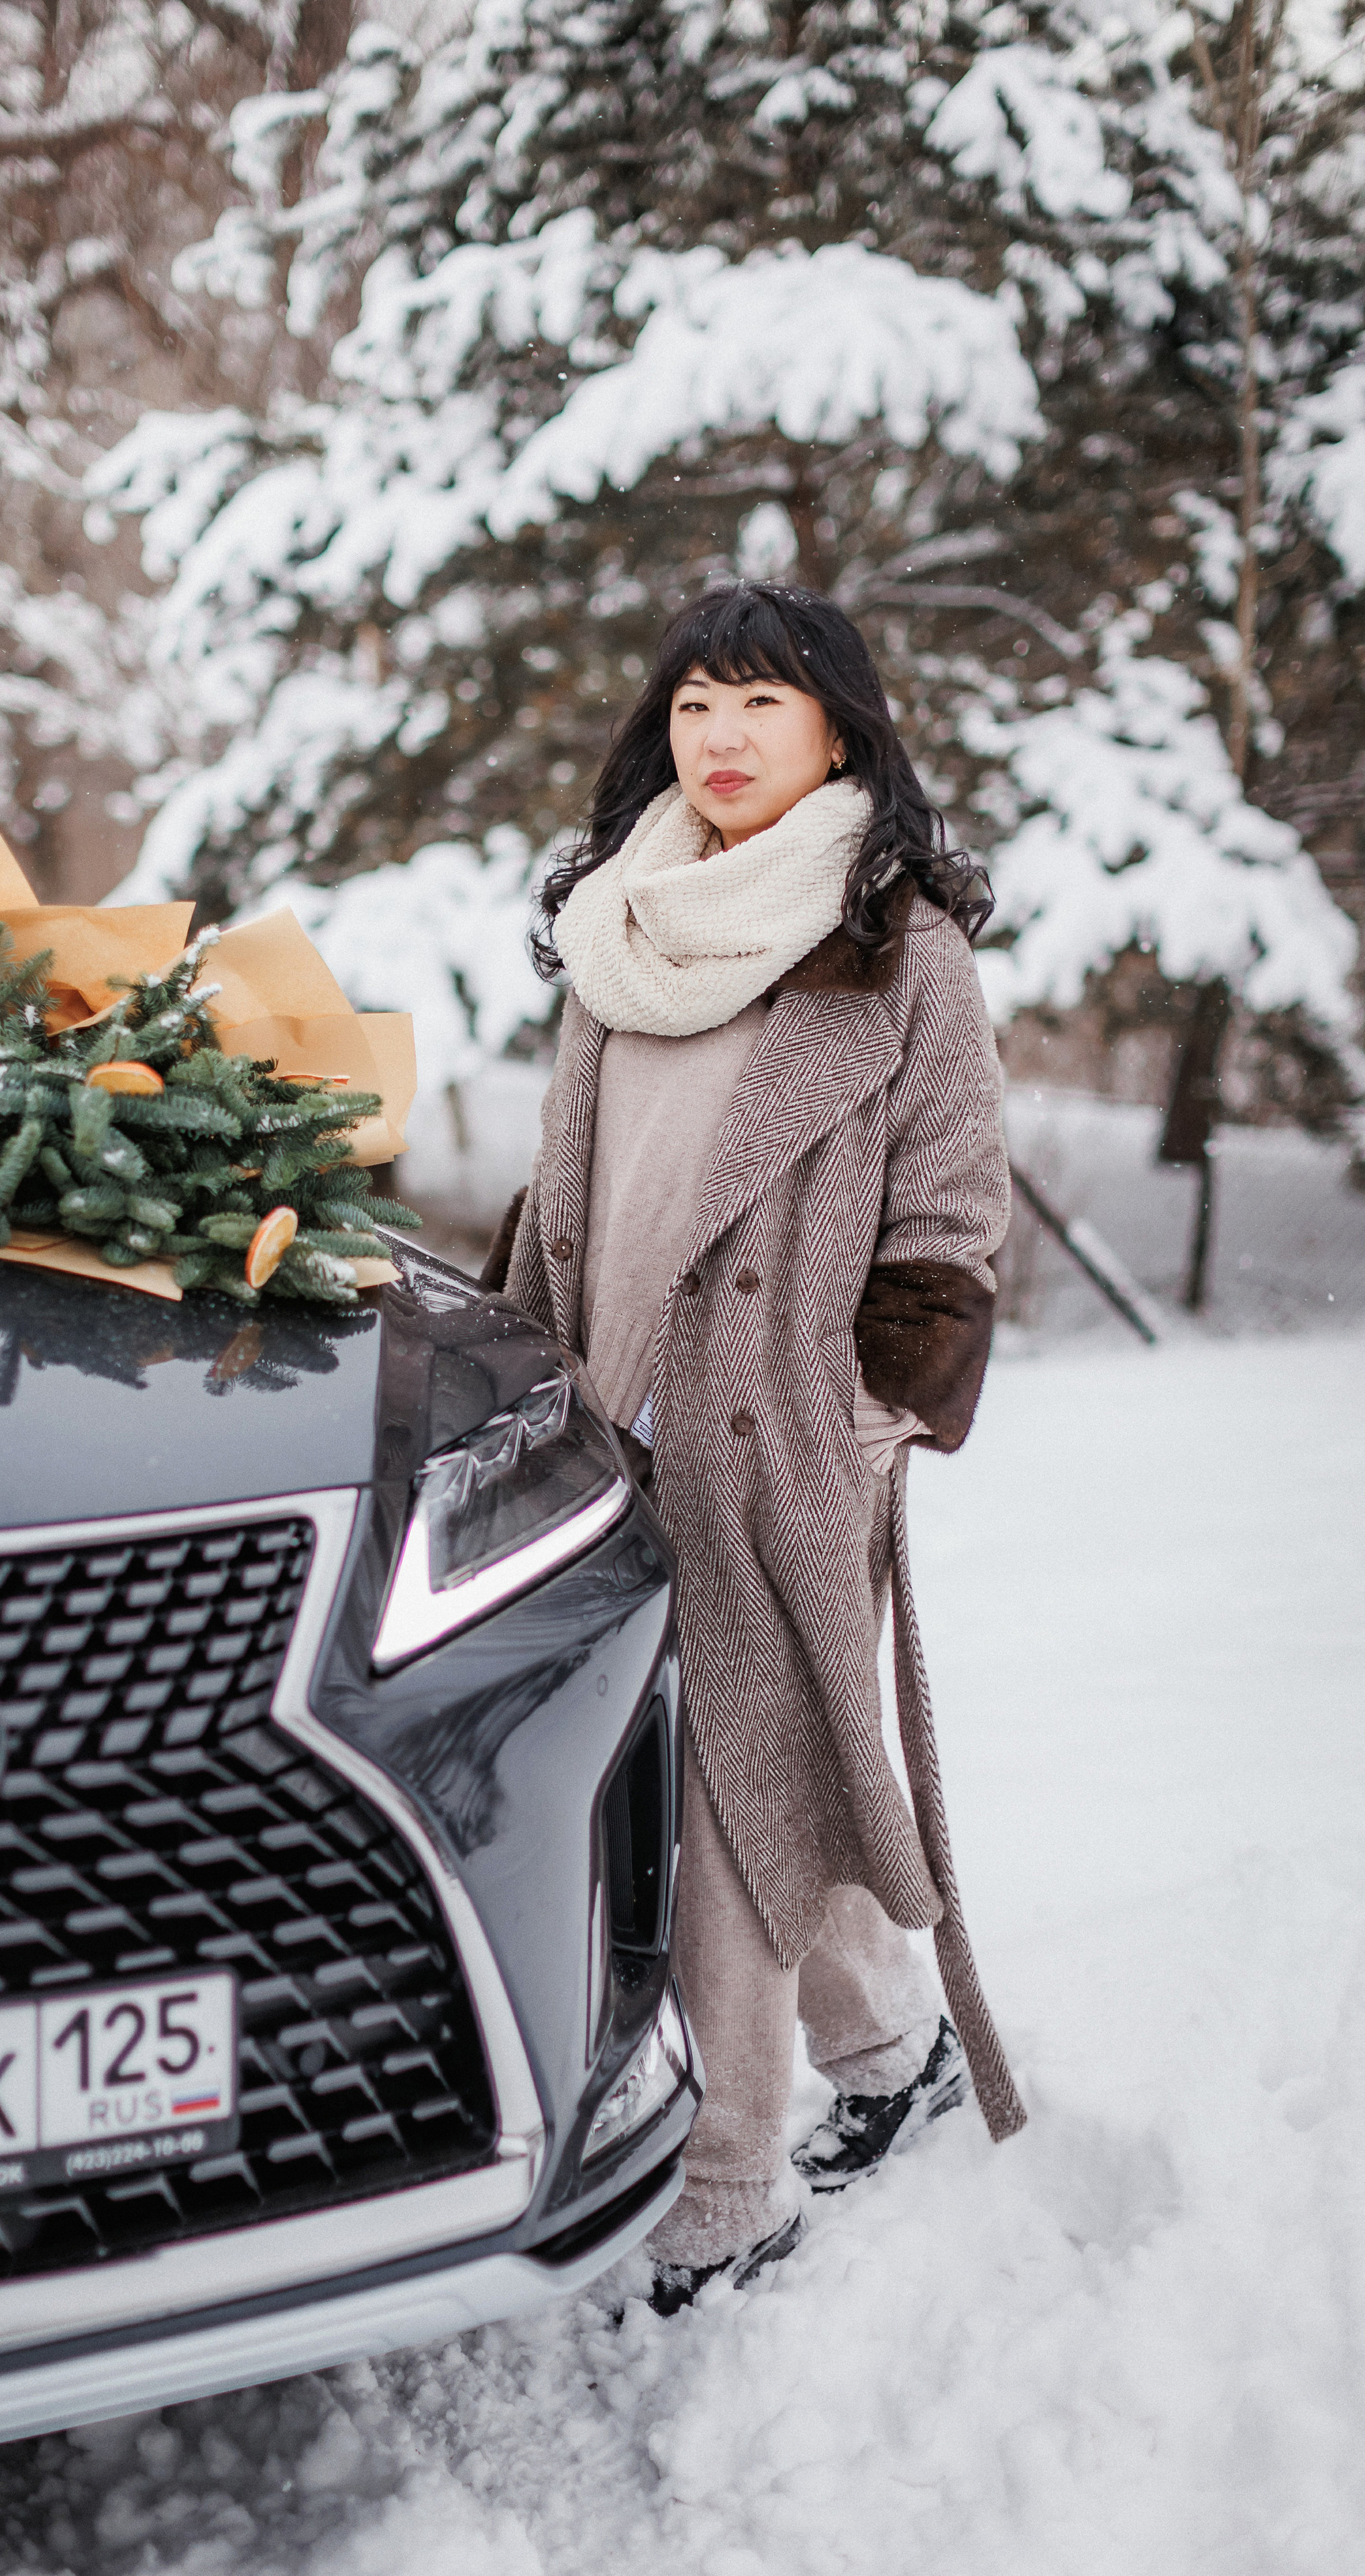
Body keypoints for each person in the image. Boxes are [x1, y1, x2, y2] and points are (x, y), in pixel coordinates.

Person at [483, 582, 1027, 2309]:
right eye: (696, 704)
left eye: (761, 707)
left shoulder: (898, 949)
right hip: (605, 1443)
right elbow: (569, 1201)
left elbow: (949, 1220)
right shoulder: (619, 922)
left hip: (773, 1448)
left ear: (838, 732)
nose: (718, 740)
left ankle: (728, 2187)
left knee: (718, 1809)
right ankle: (886, 2061)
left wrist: (863, 1420)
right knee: (748, 1776)